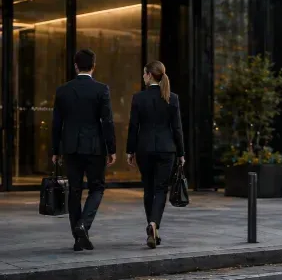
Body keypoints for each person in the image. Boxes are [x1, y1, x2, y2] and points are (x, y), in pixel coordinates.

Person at [51, 49, 117, 251]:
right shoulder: (101, 89)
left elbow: (56, 124)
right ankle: (83, 226)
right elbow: (107, 122)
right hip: (94, 147)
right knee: (97, 187)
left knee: (75, 190)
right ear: (93, 66)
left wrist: (55, 150)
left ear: (75, 66)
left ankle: (78, 237)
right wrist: (111, 148)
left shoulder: (63, 90)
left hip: (70, 147)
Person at [126, 61, 185, 249]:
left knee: (148, 189)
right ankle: (154, 225)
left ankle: (152, 226)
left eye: (144, 74)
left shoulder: (138, 98)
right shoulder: (172, 98)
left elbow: (133, 127)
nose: (143, 77)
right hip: (167, 149)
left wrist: (130, 150)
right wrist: (181, 153)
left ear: (150, 75)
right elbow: (177, 129)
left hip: (144, 149)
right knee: (160, 189)